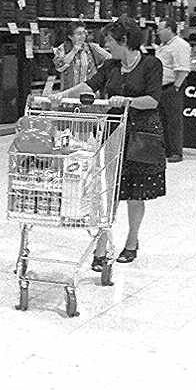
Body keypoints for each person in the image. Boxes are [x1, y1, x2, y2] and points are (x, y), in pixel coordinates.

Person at [56, 20, 167, 266]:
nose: (106, 45)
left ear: (124, 40)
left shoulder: (151, 64)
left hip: (142, 136)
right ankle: (102, 246)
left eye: (109, 41)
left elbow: (153, 100)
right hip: (113, 131)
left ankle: (132, 241)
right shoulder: (111, 65)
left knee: (136, 193)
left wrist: (126, 100)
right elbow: (89, 85)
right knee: (109, 191)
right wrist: (61, 95)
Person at [154, 19, 191, 163]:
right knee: (163, 120)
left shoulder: (180, 45)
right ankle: (166, 149)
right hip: (161, 87)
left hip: (172, 87)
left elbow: (182, 69)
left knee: (173, 121)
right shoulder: (163, 46)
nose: (157, 33)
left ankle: (176, 152)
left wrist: (176, 87)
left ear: (169, 29)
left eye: (160, 29)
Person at [52, 23, 107, 98]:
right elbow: (59, 67)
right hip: (69, 94)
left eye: (84, 33)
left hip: (89, 95)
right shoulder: (62, 49)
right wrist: (74, 51)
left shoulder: (92, 47)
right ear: (70, 36)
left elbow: (110, 58)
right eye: (79, 34)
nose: (83, 36)